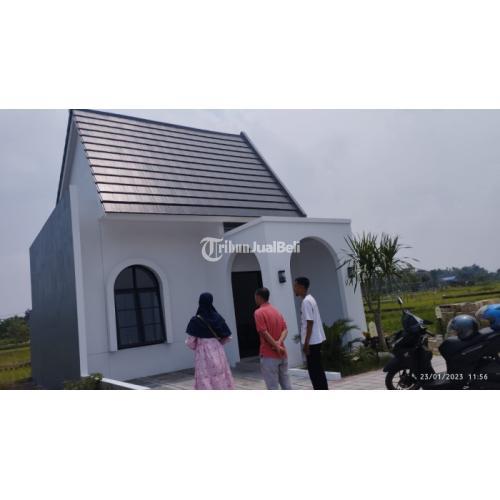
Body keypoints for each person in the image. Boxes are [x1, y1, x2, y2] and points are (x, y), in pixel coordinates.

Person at [185, 292, 234, 390]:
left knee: (205, 376)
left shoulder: (196, 320)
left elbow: (190, 342)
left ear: (200, 302)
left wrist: (198, 346)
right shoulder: (218, 317)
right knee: (220, 374)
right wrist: (217, 344)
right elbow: (227, 337)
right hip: (218, 351)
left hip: (203, 353)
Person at [293, 277, 328, 390]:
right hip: (315, 340)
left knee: (314, 372)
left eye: (296, 286)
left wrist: (306, 344)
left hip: (312, 342)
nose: (294, 288)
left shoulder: (306, 302)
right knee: (318, 370)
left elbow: (309, 322)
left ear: (302, 287)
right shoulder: (310, 299)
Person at [253, 287, 292, 390]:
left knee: (272, 387)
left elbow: (263, 332)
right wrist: (279, 343)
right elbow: (285, 329)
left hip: (269, 355)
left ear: (259, 297)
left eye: (255, 297)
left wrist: (276, 346)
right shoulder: (276, 311)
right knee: (287, 385)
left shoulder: (258, 312)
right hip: (282, 354)